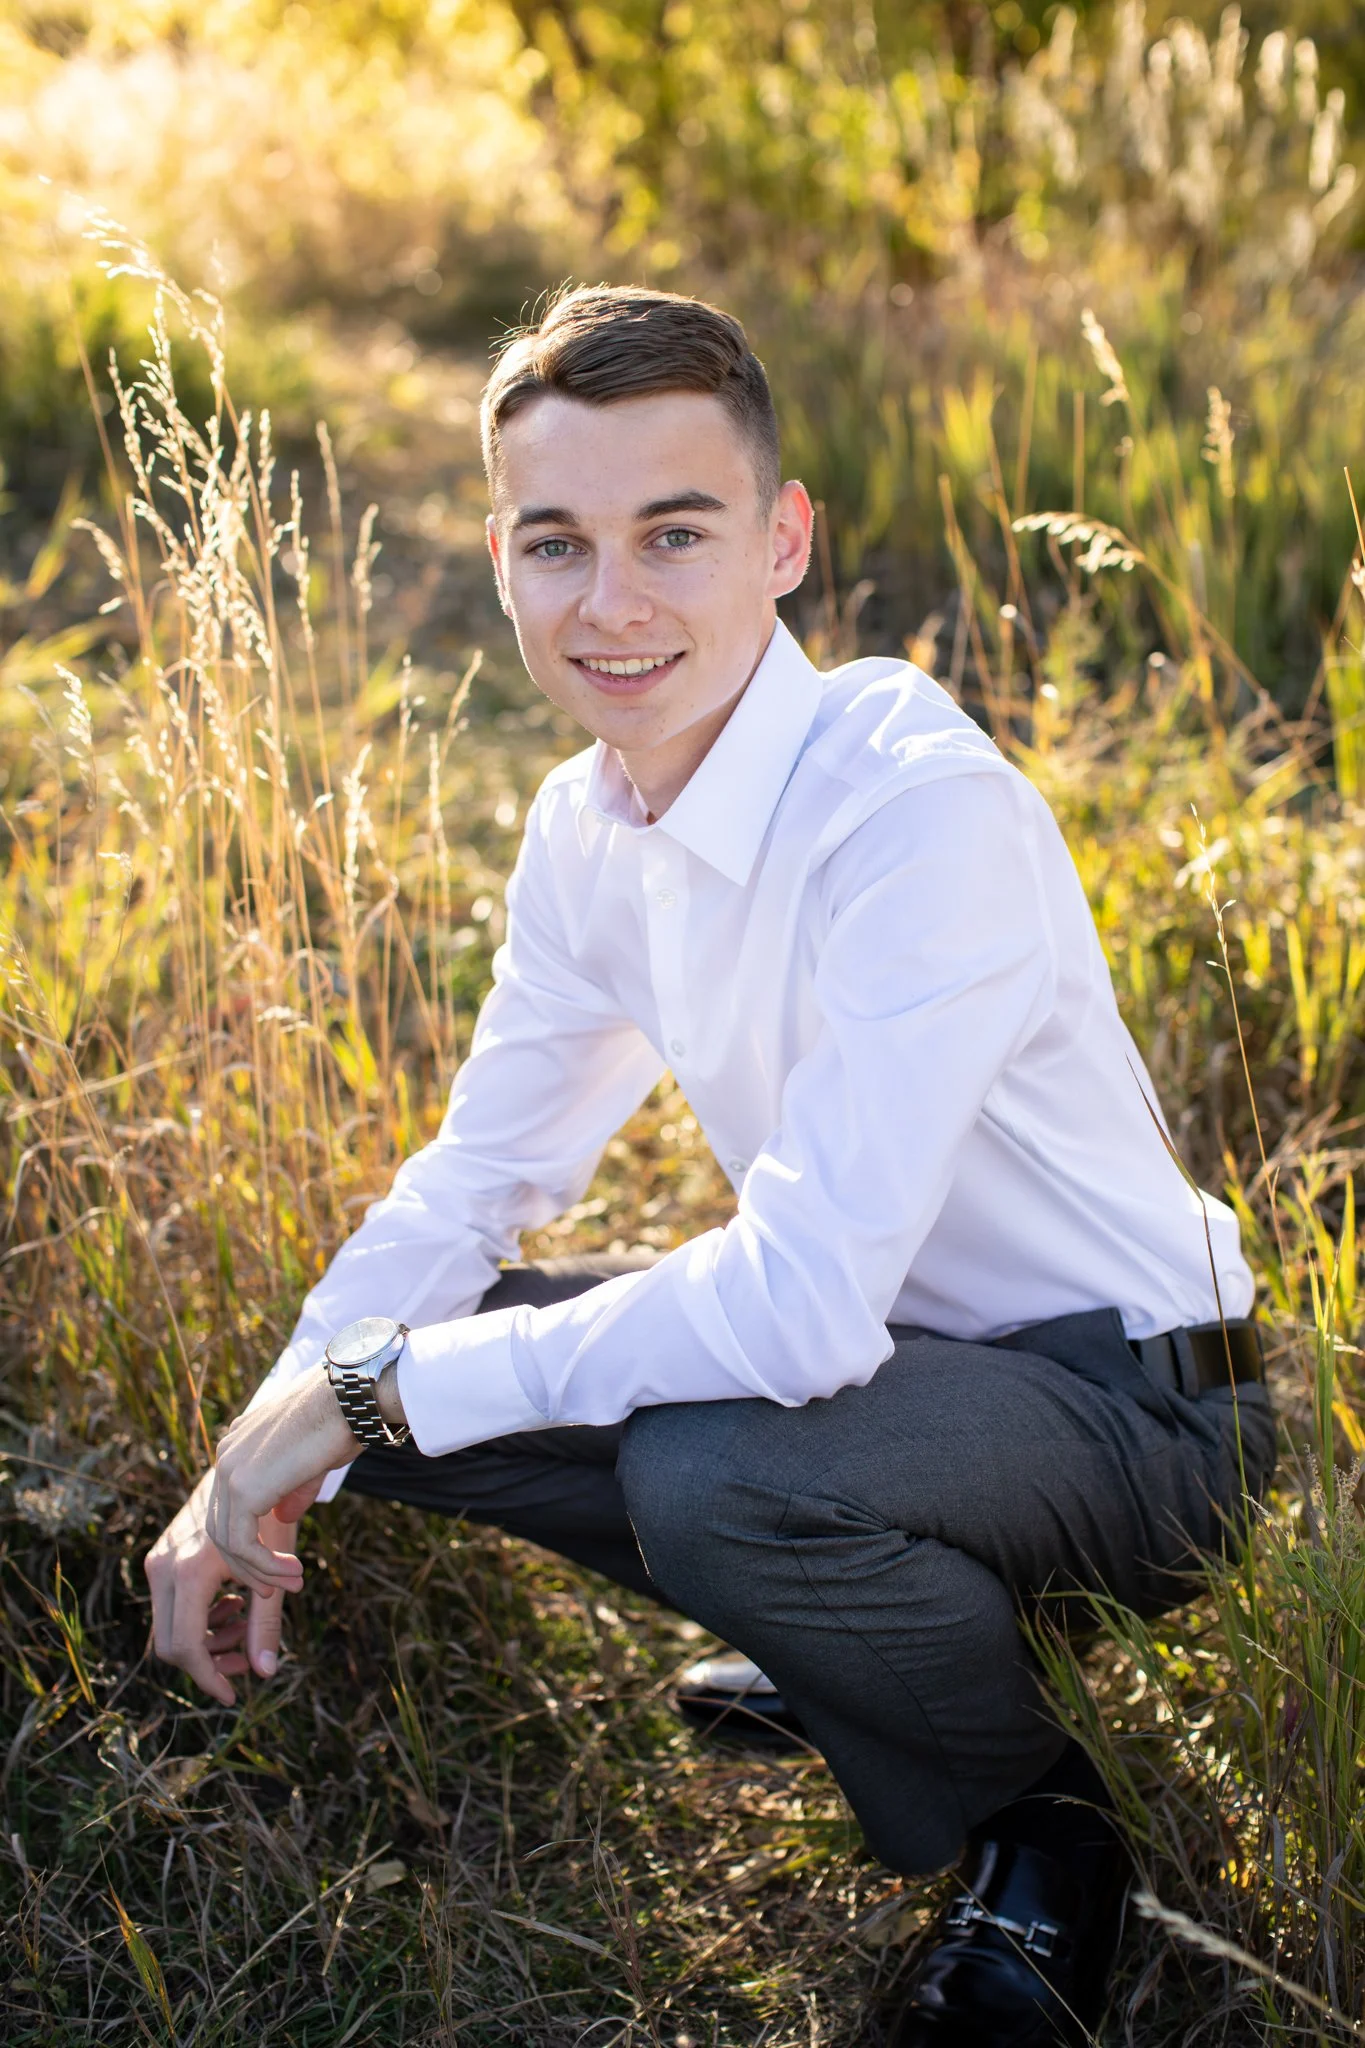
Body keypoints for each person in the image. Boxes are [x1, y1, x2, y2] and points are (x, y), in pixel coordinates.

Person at [145, 286, 1275, 2046]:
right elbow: (473, 1182)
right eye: (555, 543)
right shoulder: (585, 824)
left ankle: (1039, 1823)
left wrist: (368, 1397)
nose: (613, 604)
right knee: (433, 1370)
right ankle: (858, 1649)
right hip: (917, 1392)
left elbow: (806, 1311)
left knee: (697, 1465)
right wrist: (269, 1430)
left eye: (675, 532)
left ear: (784, 539)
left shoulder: (916, 806)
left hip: (1143, 1420)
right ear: (504, 559)